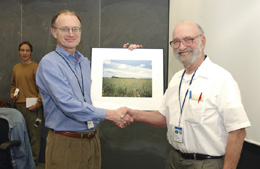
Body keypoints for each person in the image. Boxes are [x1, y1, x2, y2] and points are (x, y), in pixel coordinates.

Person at [124, 20, 251, 169]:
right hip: (174, 159)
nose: (181, 47)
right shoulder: (176, 79)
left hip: (206, 163)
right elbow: (164, 117)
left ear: (202, 42)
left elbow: (238, 131)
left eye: (188, 40)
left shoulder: (221, 79)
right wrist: (132, 114)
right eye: (176, 42)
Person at [36, 10, 132, 169]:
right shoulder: (49, 63)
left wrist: (128, 57)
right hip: (66, 143)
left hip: (92, 140)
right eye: (65, 29)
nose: (71, 33)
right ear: (54, 32)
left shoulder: (85, 62)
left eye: (76, 29)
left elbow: (97, 97)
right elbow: (68, 104)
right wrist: (111, 115)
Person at [10, 41, 43, 166]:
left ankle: (33, 163)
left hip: (33, 108)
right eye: (22, 50)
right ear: (19, 52)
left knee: (34, 137)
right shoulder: (16, 68)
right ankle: (22, 163)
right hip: (18, 107)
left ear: (31, 52)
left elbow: (42, 88)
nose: (25, 53)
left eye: (27, 50)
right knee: (20, 137)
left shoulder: (36, 67)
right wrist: (13, 95)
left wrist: (38, 103)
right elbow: (13, 85)